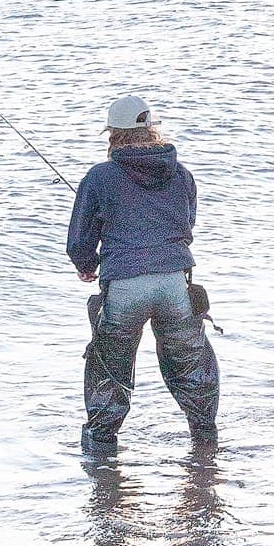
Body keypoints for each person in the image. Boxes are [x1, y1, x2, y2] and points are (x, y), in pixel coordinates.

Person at [65, 93, 218, 458]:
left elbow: (79, 239)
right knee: (189, 367)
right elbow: (187, 225)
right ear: (153, 129)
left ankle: (101, 457)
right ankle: (205, 443)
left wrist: (87, 266)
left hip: (125, 287)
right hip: (174, 283)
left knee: (111, 368)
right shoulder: (181, 173)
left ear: (112, 134)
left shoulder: (100, 177)